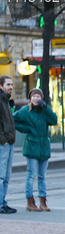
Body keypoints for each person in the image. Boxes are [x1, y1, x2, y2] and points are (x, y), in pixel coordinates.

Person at [13, 88, 58, 212]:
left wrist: (47, 107)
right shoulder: (25, 111)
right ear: (30, 98)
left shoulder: (44, 111)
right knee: (31, 174)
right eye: (34, 97)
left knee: (42, 176)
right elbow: (14, 119)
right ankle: (30, 201)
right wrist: (26, 129)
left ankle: (43, 201)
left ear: (42, 98)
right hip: (32, 146)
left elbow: (54, 120)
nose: (36, 99)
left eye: (38, 97)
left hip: (43, 146)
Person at [0, 75, 16, 214]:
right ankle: (0, 204)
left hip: (8, 143)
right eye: (8, 85)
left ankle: (3, 202)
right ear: (1, 86)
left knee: (6, 176)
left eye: (11, 85)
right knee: (1, 176)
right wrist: (3, 140)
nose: (10, 87)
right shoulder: (1, 101)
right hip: (3, 144)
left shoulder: (6, 101)